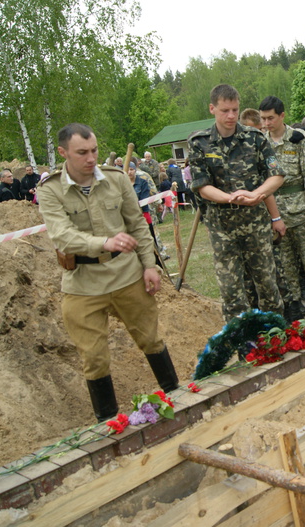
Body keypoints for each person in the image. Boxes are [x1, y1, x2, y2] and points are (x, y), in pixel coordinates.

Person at [38, 122, 179, 422]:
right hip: (82, 284)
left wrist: (149, 266)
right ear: (63, 153)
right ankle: (109, 425)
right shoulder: (50, 190)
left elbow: (138, 225)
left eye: (94, 151)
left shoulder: (116, 179)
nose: (90, 158)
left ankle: (177, 400)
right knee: (94, 358)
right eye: (82, 153)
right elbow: (61, 235)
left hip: (126, 275)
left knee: (151, 339)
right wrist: (102, 242)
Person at [187, 84, 285, 323]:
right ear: (212, 109)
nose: (230, 116)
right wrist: (229, 198)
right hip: (223, 228)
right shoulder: (199, 142)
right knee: (231, 292)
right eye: (224, 110)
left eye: (234, 110)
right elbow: (201, 185)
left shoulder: (254, 138)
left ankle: (275, 337)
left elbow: (276, 175)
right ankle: (242, 343)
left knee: (267, 285)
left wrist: (257, 194)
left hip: (256, 225)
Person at [259, 96, 305, 318]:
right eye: (263, 119)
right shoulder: (262, 142)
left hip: (300, 209)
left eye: (270, 118)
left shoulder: (298, 140)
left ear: (282, 116)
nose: (267, 123)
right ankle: (294, 302)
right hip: (275, 212)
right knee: (285, 262)